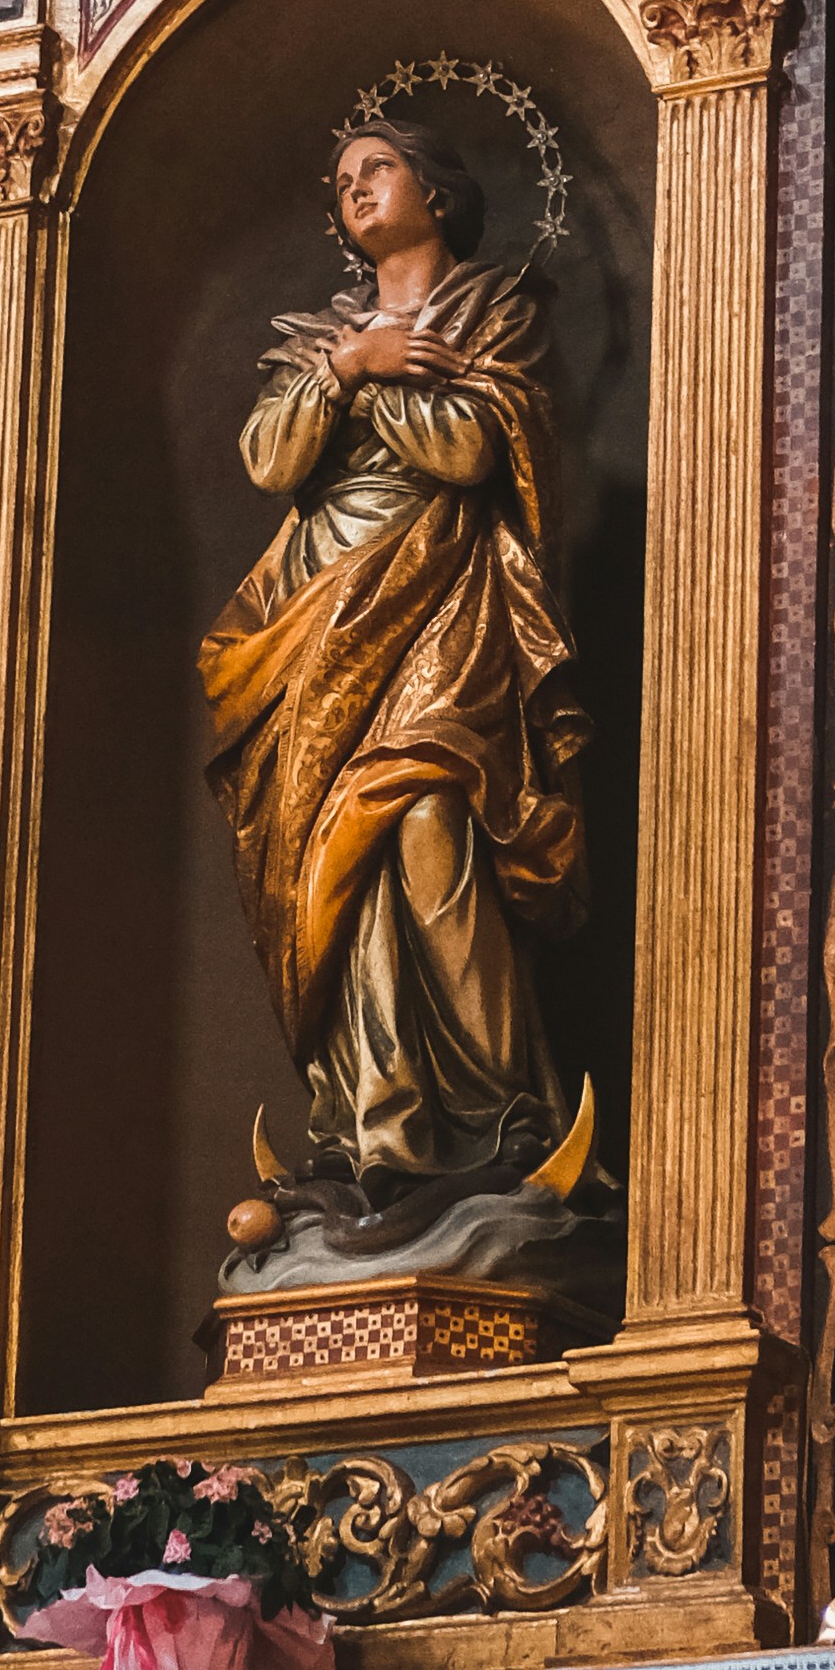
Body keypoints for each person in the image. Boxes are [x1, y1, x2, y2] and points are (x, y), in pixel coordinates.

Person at [198, 111, 592, 1255]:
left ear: (436, 186)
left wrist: (372, 381)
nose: (355, 189)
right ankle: (373, 1123)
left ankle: (495, 1113)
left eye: (378, 168)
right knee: (330, 854)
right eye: (342, 181)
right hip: (313, 623)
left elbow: (475, 452)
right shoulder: (317, 335)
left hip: (440, 605)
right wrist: (348, 360)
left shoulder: (491, 312)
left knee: (425, 815)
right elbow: (268, 459)